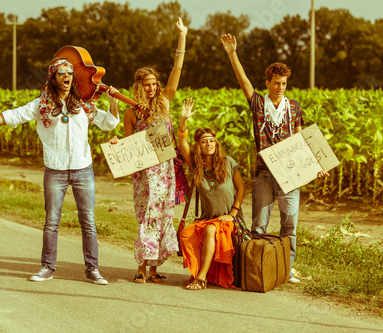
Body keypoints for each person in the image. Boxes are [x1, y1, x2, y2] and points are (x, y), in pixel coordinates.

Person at [0, 58, 121, 285]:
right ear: (53, 78)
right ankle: (47, 268)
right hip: (55, 170)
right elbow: (11, 116)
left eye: (69, 72)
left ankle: (93, 270)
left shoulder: (84, 103)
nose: (66, 76)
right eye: (61, 73)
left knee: (88, 222)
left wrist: (112, 101)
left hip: (82, 169)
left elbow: (109, 123)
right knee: (51, 222)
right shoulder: (41, 105)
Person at [221, 33, 328, 284]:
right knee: (259, 223)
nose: (280, 86)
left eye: (284, 83)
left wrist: (315, 167)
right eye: (277, 82)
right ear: (267, 82)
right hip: (264, 172)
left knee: (289, 223)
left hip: (290, 173)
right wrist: (232, 54)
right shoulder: (259, 104)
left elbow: (301, 141)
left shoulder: (294, 107)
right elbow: (243, 80)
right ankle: (256, 267)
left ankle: (286, 269)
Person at [120, 17, 187, 284]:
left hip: (165, 169)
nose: (151, 88)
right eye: (145, 84)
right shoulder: (131, 113)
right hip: (144, 173)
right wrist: (117, 145)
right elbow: (127, 146)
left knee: (163, 215)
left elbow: (177, 67)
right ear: (138, 87)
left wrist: (182, 35)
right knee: (146, 214)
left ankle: (155, 267)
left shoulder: (166, 102)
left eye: (153, 83)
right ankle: (140, 267)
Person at [177, 98, 246, 290]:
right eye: (204, 141)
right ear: (198, 146)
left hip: (230, 220)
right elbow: (182, 142)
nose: (209, 144)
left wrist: (233, 213)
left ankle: (201, 278)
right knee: (186, 233)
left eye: (211, 140)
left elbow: (242, 189)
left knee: (210, 231)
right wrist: (183, 120)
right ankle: (201, 271)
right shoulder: (196, 167)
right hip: (208, 218)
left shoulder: (229, 162)